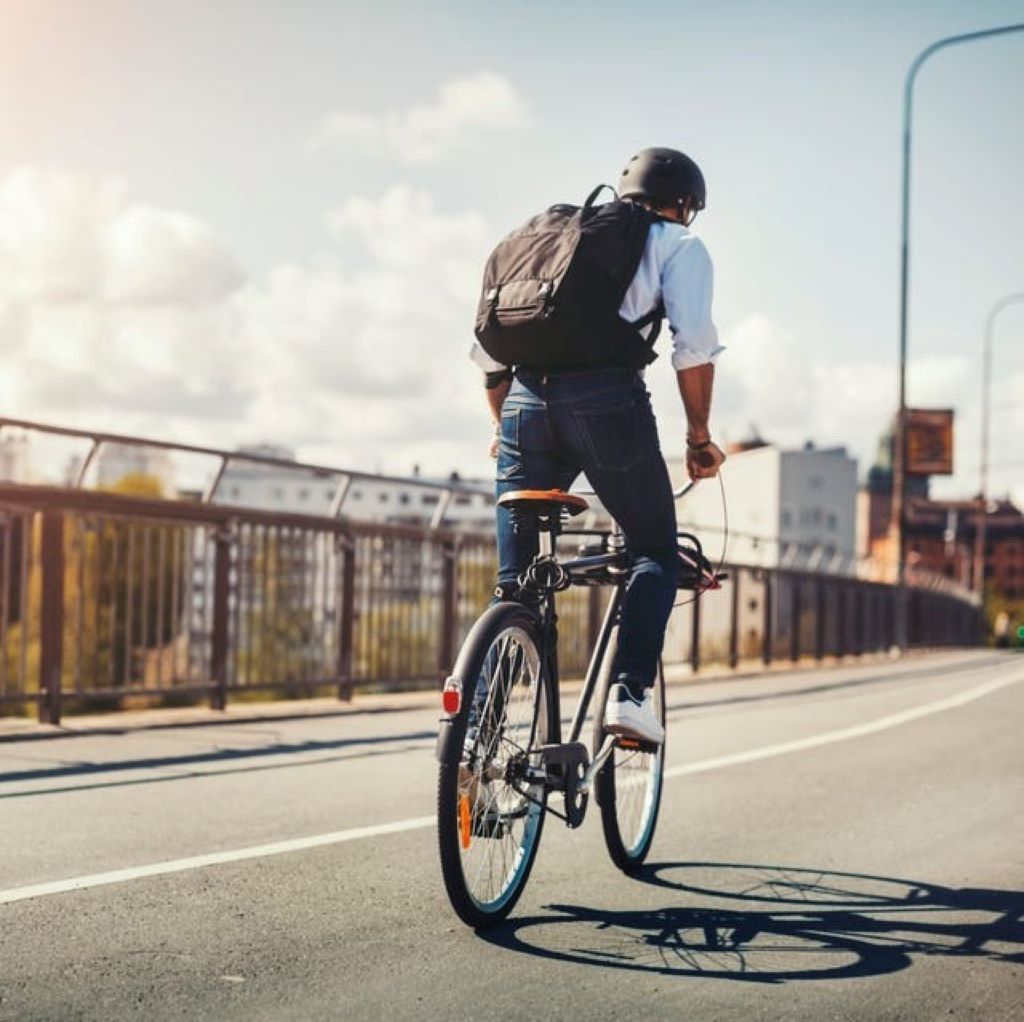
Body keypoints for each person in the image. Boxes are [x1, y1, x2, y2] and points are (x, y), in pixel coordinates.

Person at [469, 147, 726, 744]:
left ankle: (477, 731)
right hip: (607, 406)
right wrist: (699, 439)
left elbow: (489, 359)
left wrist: (500, 427)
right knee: (654, 552)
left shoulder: (550, 240)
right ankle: (629, 695)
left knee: (517, 584)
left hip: (524, 408)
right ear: (684, 204)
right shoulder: (678, 245)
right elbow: (693, 349)